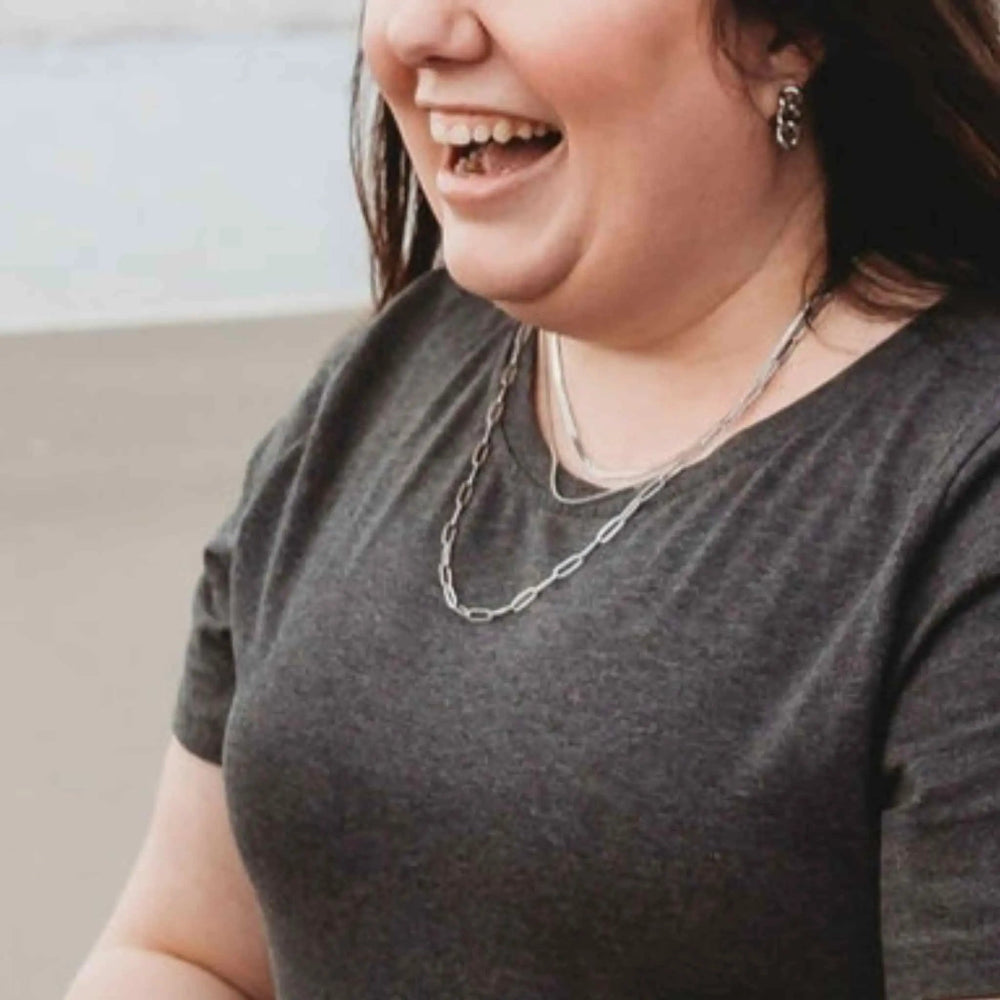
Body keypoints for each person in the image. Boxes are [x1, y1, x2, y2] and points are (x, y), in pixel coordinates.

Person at [66, 0, 999, 997]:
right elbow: (186, 952)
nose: (417, 30)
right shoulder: (378, 389)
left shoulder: (960, 489)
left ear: (785, 30)